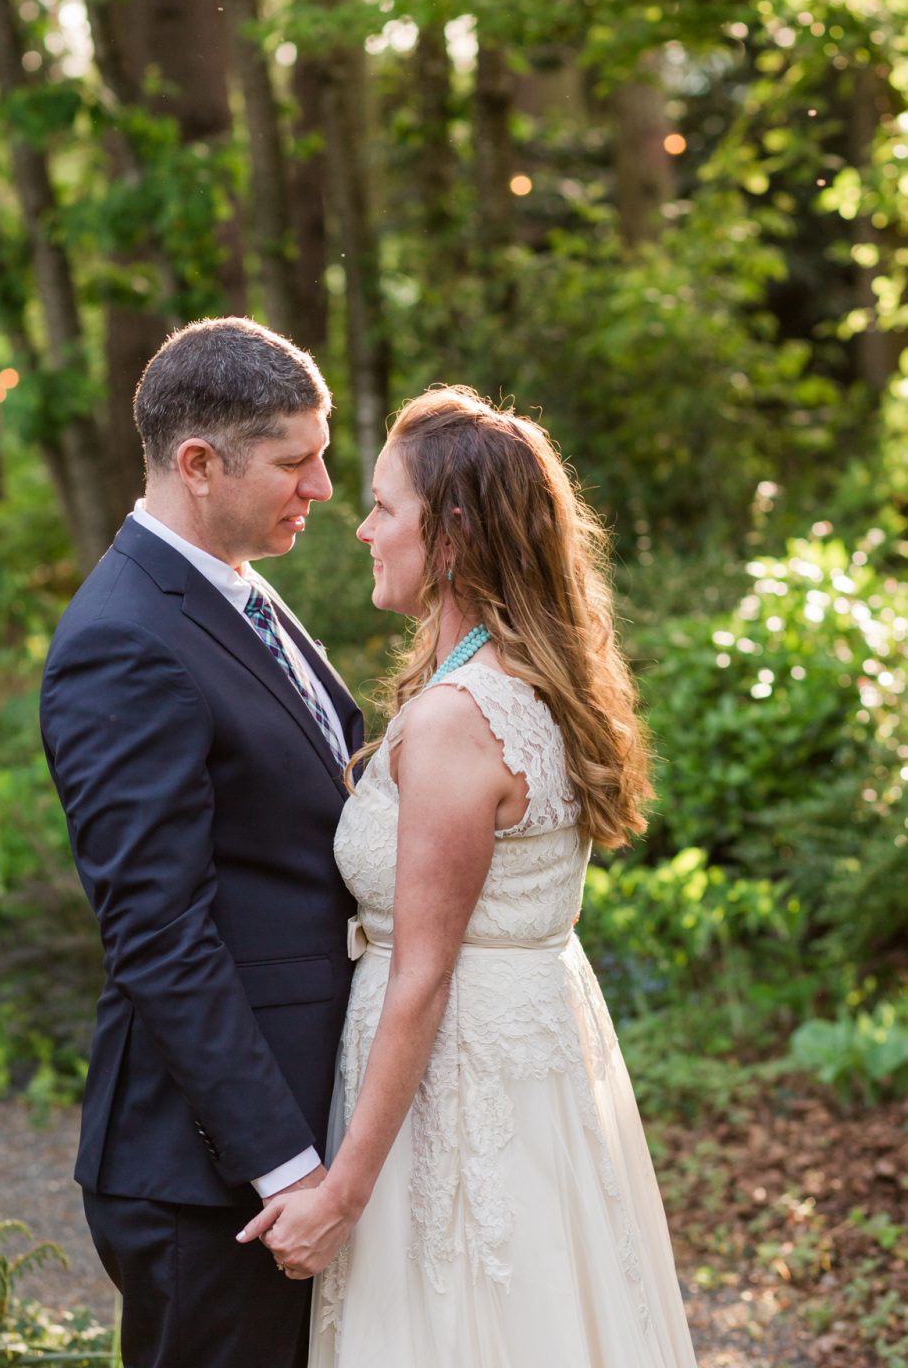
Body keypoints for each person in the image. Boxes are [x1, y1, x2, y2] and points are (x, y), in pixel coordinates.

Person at [239, 385, 698, 1366]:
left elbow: (422, 973)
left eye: (382, 507)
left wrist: (342, 1194)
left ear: (447, 536)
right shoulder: (522, 683)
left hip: (455, 1086)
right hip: (528, 1058)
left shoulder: (458, 717)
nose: (362, 527)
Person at [39, 318, 363, 1368]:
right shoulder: (123, 639)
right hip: (208, 1174)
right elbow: (157, 933)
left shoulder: (234, 587)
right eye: (296, 461)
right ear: (197, 462)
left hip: (295, 1123)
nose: (322, 486)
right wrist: (284, 1167)